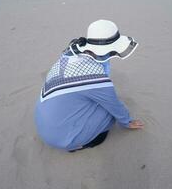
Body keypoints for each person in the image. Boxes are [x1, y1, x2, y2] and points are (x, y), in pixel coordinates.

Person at [35, 19, 144, 152]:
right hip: (64, 139)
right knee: (110, 115)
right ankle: (79, 144)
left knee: (87, 100)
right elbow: (114, 105)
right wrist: (127, 122)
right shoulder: (97, 78)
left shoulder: (68, 55)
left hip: (44, 128)